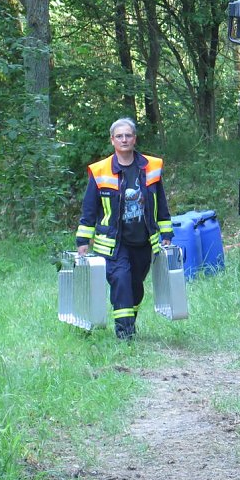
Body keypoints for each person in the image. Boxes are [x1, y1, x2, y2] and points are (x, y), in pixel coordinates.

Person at [76, 118, 173, 340]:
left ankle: (129, 321)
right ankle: (125, 335)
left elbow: (162, 204)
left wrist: (166, 233)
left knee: (136, 287)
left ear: (134, 138)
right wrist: (82, 240)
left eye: (128, 135)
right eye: (119, 136)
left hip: (143, 241)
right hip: (112, 244)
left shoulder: (151, 167)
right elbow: (89, 209)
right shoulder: (100, 171)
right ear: (112, 140)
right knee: (121, 281)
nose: (124, 139)